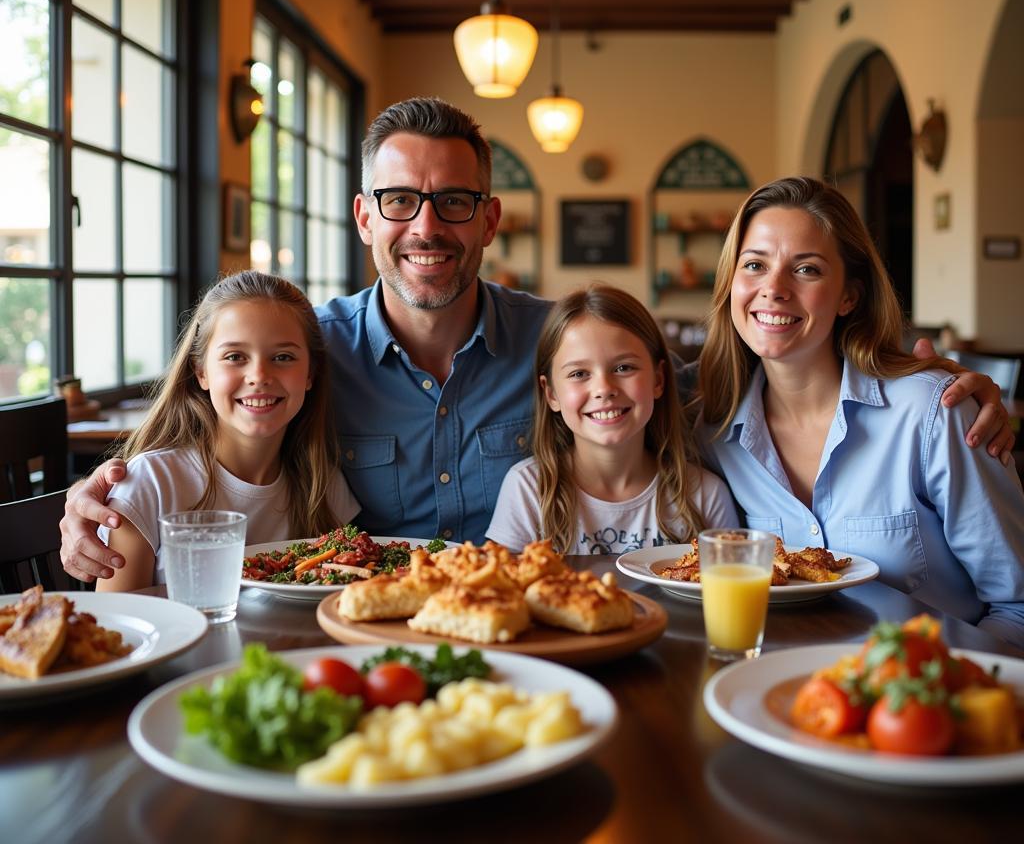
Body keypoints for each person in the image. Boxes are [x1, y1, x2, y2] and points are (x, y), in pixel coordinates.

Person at [59, 98, 1014, 582]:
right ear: (363, 216)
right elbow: (210, 435)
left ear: (489, 218)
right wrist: (106, 499)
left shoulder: (565, 347)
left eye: (454, 202)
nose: (426, 225)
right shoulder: (307, 354)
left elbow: (730, 379)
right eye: (400, 200)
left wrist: (929, 377)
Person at [697, 176, 1024, 646]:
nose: (774, 288)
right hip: (784, 694)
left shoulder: (931, 414)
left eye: (806, 270)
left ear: (849, 295)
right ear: (731, 284)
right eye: (754, 265)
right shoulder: (715, 434)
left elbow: (1015, 607)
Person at [96, 270, 360, 591]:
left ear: (310, 374)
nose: (259, 375)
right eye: (235, 357)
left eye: (283, 357)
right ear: (201, 372)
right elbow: (120, 624)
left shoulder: (323, 483)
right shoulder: (150, 482)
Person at [487, 285, 737, 555]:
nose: (604, 388)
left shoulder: (705, 495)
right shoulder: (528, 490)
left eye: (623, 368)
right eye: (579, 373)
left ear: (659, 379)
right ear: (551, 393)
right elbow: (497, 588)